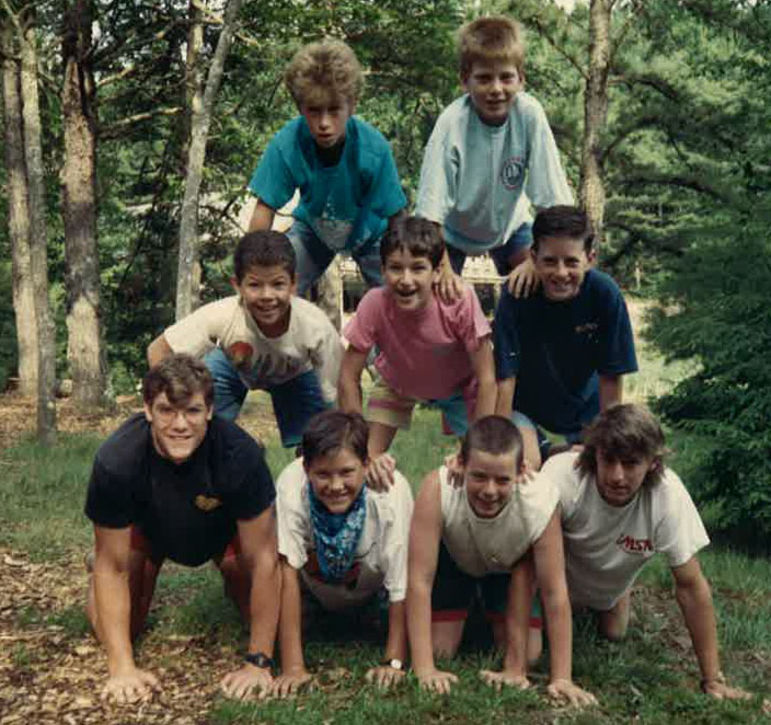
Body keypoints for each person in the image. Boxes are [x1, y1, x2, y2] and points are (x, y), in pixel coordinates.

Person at [84, 355, 280, 702]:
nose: (180, 424)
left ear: (209, 411)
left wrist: (258, 662)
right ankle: (98, 585)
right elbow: (111, 567)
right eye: (166, 411)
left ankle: (235, 591)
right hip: (149, 531)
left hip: (220, 532)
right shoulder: (117, 461)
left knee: (255, 606)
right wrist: (122, 668)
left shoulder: (239, 455)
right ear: (147, 410)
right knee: (122, 625)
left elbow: (265, 559)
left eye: (191, 411)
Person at [544, 403, 752, 701]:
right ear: (594, 455)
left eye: (630, 464)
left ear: (653, 464)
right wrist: (562, 677)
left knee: (615, 632)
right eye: (609, 460)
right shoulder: (563, 476)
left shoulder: (668, 495)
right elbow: (530, 560)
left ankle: (617, 592)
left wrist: (713, 680)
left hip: (606, 583)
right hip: (556, 577)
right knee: (533, 648)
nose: (617, 476)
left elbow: (691, 586)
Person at [406, 416, 596, 705]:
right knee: (439, 650)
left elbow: (555, 592)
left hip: (505, 569)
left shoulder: (540, 501)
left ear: (522, 471)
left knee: (530, 655)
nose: (490, 490)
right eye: (479, 476)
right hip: (455, 561)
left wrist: (562, 678)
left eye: (502, 479)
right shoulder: (438, 487)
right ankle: (463, 605)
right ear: (460, 463)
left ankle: (489, 606)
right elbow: (419, 581)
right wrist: (424, 670)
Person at [415, 15, 573, 302]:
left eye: (506, 77)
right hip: (451, 233)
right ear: (465, 81)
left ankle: (513, 342)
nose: (496, 89)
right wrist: (444, 270)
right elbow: (429, 214)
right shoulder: (452, 123)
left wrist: (534, 260)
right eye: (484, 78)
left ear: (521, 79)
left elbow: (553, 203)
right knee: (436, 295)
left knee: (546, 280)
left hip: (511, 226)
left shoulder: (529, 115)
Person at [338, 216, 497, 485]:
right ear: (383, 270)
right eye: (396, 268)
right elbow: (347, 377)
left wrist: (472, 449)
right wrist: (360, 443)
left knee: (477, 467)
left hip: (460, 388)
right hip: (397, 383)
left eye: (418, 268)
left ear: (437, 271)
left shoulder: (459, 300)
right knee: (361, 463)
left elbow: (487, 379)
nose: (406, 280)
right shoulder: (375, 303)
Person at [147, 230, 341, 448]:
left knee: (320, 444)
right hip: (234, 368)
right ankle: (234, 444)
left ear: (293, 284)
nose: (267, 296)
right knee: (198, 422)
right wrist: (176, 404)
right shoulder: (223, 314)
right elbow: (158, 349)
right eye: (255, 285)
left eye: (278, 284)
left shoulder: (315, 326)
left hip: (296, 373)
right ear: (237, 285)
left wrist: (338, 437)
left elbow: (338, 391)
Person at [246, 39, 407, 294]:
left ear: (352, 106)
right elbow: (264, 209)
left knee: (402, 291)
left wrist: (402, 267)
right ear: (300, 107)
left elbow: (397, 216)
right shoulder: (287, 143)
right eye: (314, 110)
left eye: (334, 110)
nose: (324, 123)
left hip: (370, 233)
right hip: (313, 233)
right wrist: (251, 272)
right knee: (272, 287)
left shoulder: (373, 148)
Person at [271, 410, 413, 696]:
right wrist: (293, 668)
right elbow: (287, 569)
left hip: (376, 593)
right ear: (305, 467)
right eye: (322, 474)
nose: (335, 486)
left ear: (366, 463)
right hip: (312, 592)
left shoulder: (391, 491)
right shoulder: (290, 485)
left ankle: (369, 619)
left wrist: (394, 662)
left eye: (347, 472)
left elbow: (402, 579)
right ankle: (318, 620)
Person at [494, 205, 638, 469]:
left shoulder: (604, 294)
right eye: (550, 261)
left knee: (591, 466)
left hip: (586, 406)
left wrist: (603, 441)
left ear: (590, 258)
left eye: (571, 262)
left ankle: (561, 452)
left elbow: (612, 376)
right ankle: (542, 451)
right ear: (533, 257)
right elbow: (505, 377)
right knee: (524, 466)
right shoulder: (515, 295)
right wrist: (501, 444)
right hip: (525, 406)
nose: (561, 273)